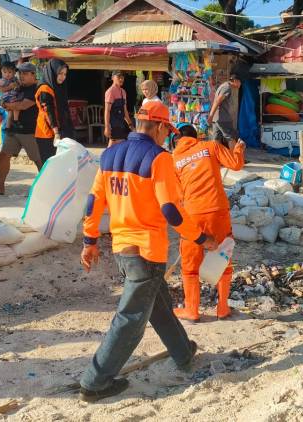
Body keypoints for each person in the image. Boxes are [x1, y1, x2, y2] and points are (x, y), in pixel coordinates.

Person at [79, 101, 218, 403]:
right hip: (147, 250)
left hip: (122, 249)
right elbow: (170, 209)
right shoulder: (159, 158)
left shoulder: (109, 155)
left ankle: (182, 351)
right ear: (157, 127)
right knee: (130, 320)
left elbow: (93, 203)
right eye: (165, 130)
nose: (164, 136)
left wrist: (89, 242)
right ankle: (94, 382)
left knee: (158, 304)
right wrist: (200, 237)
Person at [171, 125, 245, 321]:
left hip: (192, 215)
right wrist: (238, 148)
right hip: (218, 211)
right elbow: (236, 164)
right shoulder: (211, 147)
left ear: (176, 141)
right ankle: (222, 308)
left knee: (190, 264)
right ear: (196, 138)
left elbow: (177, 195)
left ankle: (192, 310)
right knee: (222, 256)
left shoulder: (174, 160)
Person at [0, 63, 42, 195]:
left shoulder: (37, 89)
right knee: (4, 155)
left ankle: (46, 188)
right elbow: (5, 100)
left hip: (29, 131)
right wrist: (6, 104)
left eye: (25, 74)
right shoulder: (17, 87)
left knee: (38, 159)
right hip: (13, 129)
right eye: (20, 73)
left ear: (33, 74)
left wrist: (8, 105)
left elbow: (23, 105)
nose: (21, 76)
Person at [35, 59, 72, 164]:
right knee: (49, 167)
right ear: (53, 72)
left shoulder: (58, 87)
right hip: (47, 133)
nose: (62, 77)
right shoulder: (44, 89)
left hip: (59, 132)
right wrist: (56, 132)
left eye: (65, 74)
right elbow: (48, 111)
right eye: (60, 73)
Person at [207, 73, 241, 147]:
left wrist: (212, 116)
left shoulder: (223, 86)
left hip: (217, 119)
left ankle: (216, 157)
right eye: (240, 82)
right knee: (231, 138)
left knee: (216, 140)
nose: (240, 84)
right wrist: (210, 116)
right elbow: (217, 101)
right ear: (235, 80)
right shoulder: (227, 87)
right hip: (223, 118)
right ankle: (234, 158)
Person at [103, 70, 133, 147]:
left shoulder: (123, 92)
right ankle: (105, 158)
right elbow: (107, 110)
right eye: (119, 77)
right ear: (113, 78)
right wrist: (107, 127)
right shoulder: (110, 92)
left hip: (121, 123)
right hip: (113, 124)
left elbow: (125, 110)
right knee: (119, 144)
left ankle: (105, 158)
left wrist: (130, 124)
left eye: (122, 77)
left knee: (116, 145)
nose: (121, 79)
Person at [0, 61, 22, 132]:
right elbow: (1, 89)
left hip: (12, 96)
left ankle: (8, 127)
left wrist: (17, 87)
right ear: (1, 72)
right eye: (5, 72)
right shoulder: (2, 81)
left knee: (10, 114)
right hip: (7, 98)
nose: (7, 74)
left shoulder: (15, 79)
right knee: (16, 107)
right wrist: (10, 86)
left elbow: (18, 87)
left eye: (9, 72)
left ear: (14, 72)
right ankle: (16, 120)